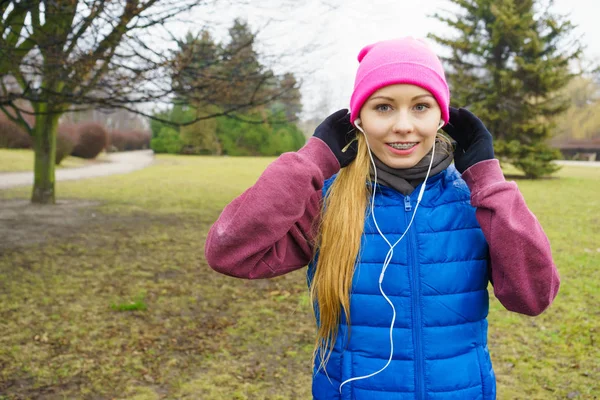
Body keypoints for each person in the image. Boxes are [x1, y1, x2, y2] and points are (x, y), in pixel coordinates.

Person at [204, 37, 560, 400]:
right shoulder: (328, 201)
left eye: (421, 107)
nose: (404, 125)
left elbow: (534, 297)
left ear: (443, 117)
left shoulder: (477, 201)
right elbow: (228, 252)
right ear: (357, 119)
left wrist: (487, 179)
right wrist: (309, 163)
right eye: (384, 107)